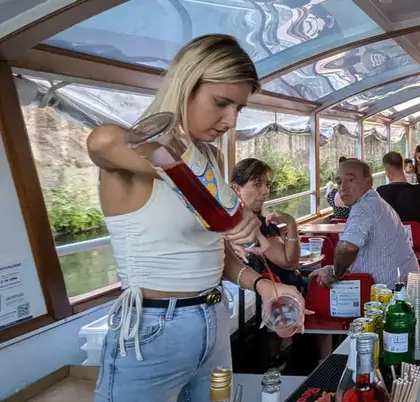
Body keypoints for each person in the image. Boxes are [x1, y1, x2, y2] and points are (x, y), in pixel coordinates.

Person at [87, 34, 308, 401]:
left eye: (239, 108)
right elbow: (101, 142)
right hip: (154, 329)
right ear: (186, 85)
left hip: (212, 318)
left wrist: (267, 287)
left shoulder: (210, 158)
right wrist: (182, 172)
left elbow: (212, 256)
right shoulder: (128, 157)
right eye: (221, 103)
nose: (231, 120)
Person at [309, 159, 420, 287]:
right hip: (404, 285)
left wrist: (335, 273)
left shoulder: (364, 207)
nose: (343, 187)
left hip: (391, 293)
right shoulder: (373, 201)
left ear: (369, 181)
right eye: (339, 182)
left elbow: (347, 248)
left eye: (351, 180)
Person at [230, 158, 304, 289]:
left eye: (268, 185)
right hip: (279, 292)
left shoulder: (229, 222)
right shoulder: (258, 226)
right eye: (258, 184)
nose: (265, 191)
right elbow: (290, 263)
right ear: (237, 189)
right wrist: (292, 224)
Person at [377, 152, 420, 237]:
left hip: (390, 240)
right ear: (404, 167)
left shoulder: (380, 192)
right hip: (417, 238)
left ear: (387, 172)